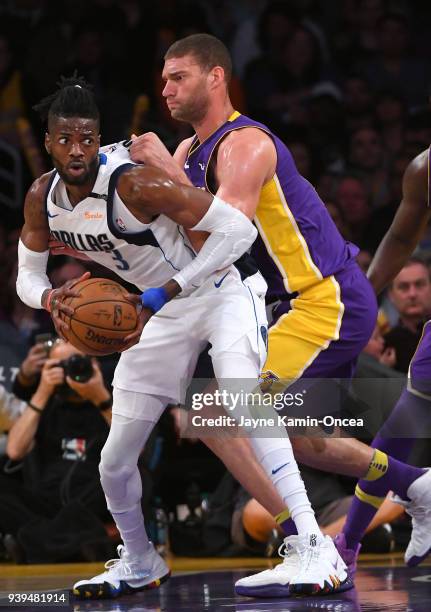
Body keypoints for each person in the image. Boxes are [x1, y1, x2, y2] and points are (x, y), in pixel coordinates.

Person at [16, 77, 346, 599]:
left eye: (87, 137)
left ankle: (314, 546)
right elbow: (27, 277)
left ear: (98, 136)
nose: (77, 149)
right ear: (49, 140)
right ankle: (140, 559)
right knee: (115, 458)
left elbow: (238, 232)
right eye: (65, 139)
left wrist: (170, 287)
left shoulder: (136, 185)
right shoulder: (43, 197)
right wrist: (51, 300)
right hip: (155, 312)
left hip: (221, 289)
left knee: (242, 399)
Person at [129, 33, 431, 597]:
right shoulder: (191, 153)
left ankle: (310, 543)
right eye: (163, 78)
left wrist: (163, 179)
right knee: (282, 431)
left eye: (179, 77)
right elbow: (192, 242)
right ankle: (413, 489)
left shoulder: (244, 143)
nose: (165, 88)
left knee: (228, 408)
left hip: (323, 298)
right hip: (285, 305)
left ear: (216, 77)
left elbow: (229, 231)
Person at [336, 139, 431, 571]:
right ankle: (347, 545)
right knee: (397, 431)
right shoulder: (423, 169)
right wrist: (361, 299)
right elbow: (400, 235)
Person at [2, 339, 112, 563]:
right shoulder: (45, 402)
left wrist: (100, 396)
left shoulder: (111, 398)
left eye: (75, 362)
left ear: (94, 364)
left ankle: (33, 543)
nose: (69, 370)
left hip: (94, 503)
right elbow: (14, 451)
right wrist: (42, 392)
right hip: (46, 505)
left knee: (132, 477)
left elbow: (138, 452)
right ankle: (79, 542)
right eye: (58, 366)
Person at [383, 257, 431, 372]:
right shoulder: (384, 346)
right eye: (404, 287)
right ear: (391, 295)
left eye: (419, 285)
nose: (412, 294)